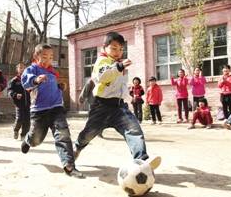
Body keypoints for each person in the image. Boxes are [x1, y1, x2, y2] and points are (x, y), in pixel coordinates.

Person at [74, 32, 161, 170]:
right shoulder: (102, 61)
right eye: (113, 48)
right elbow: (102, 76)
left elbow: (120, 85)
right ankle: (77, 147)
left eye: (121, 49)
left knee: (134, 130)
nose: (118, 52)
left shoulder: (118, 64)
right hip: (101, 107)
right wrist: (119, 67)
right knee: (88, 133)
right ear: (104, 48)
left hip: (119, 107)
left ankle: (141, 160)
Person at [21, 44, 84, 178]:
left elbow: (53, 87)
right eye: (44, 56)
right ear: (36, 57)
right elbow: (26, 82)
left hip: (56, 108)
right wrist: (36, 79)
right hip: (39, 111)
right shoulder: (32, 69)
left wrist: (60, 86)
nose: (48, 59)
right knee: (36, 140)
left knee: (63, 135)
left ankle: (69, 165)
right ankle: (28, 140)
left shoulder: (53, 72)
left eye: (50, 57)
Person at [7, 62, 31, 141]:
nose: (22, 69)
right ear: (17, 69)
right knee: (20, 118)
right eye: (20, 67)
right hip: (19, 103)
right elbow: (9, 91)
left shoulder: (28, 79)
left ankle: (24, 135)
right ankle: (16, 129)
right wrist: (15, 95)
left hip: (28, 103)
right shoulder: (14, 80)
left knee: (27, 120)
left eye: (23, 67)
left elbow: (33, 88)